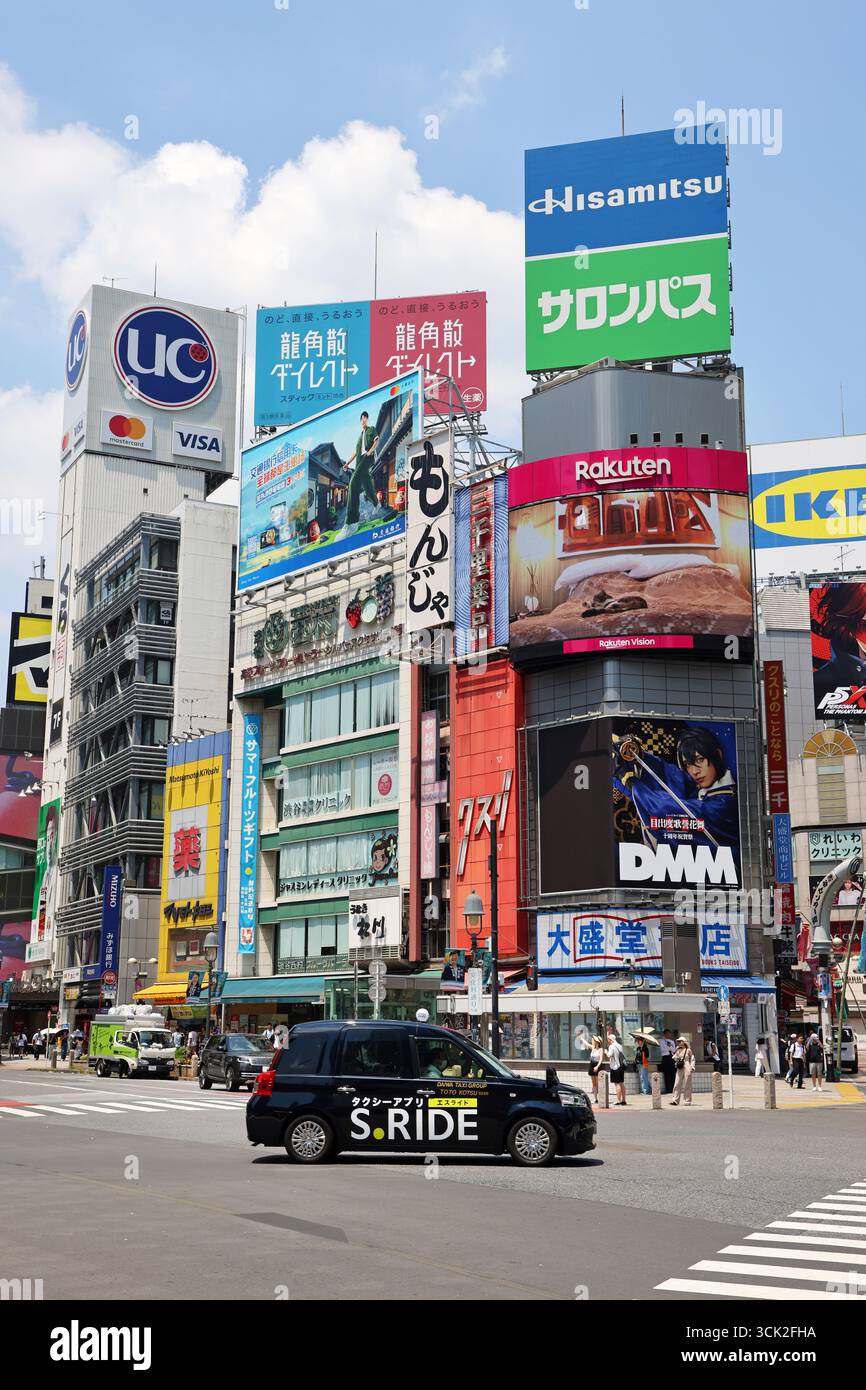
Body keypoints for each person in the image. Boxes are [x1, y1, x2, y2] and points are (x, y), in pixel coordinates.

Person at [340, 410, 382, 535]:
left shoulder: (371, 429)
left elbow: (377, 441)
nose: (363, 420)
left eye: (365, 418)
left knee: (353, 484)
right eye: (361, 418)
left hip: (367, 458)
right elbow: (355, 452)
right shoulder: (359, 437)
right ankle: (376, 503)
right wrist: (347, 462)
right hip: (359, 462)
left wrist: (370, 452)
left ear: (367, 419)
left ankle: (352, 522)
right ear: (360, 421)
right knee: (367, 485)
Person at [670, 1036, 695, 1105]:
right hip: (680, 1066)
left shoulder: (688, 1050)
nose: (678, 1042)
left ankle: (687, 1100)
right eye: (678, 1041)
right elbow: (674, 1058)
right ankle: (675, 1100)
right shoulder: (678, 1049)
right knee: (677, 1083)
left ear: (684, 1042)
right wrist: (675, 1052)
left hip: (687, 1065)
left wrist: (692, 1066)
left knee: (687, 1083)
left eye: (680, 1041)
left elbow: (692, 1058)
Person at [607, 1028, 627, 1106]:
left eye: (608, 1039)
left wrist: (606, 1052)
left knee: (617, 1084)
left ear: (610, 1039)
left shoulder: (611, 1046)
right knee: (621, 1083)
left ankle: (618, 1100)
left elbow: (609, 1055)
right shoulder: (619, 1046)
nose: (608, 1041)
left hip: (615, 1067)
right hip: (621, 1067)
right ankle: (624, 1100)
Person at [587, 1035, 605, 1105]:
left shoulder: (600, 1049)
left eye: (594, 1040)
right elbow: (587, 1044)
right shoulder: (593, 1048)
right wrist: (580, 1038)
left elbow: (601, 1059)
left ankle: (601, 1098)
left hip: (597, 1066)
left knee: (599, 1083)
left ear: (597, 1042)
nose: (593, 1041)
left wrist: (597, 1066)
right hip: (591, 1065)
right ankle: (595, 1098)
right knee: (594, 1083)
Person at [659, 1029, 676, 1093]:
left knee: (672, 1074)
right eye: (667, 1033)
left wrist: (670, 1047)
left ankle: (673, 1088)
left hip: (672, 1058)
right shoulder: (662, 1041)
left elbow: (674, 1050)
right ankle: (668, 1089)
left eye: (670, 1033)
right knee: (667, 1074)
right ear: (665, 1034)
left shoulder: (672, 1041)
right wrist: (669, 1048)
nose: (669, 1035)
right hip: (665, 1058)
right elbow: (663, 1049)